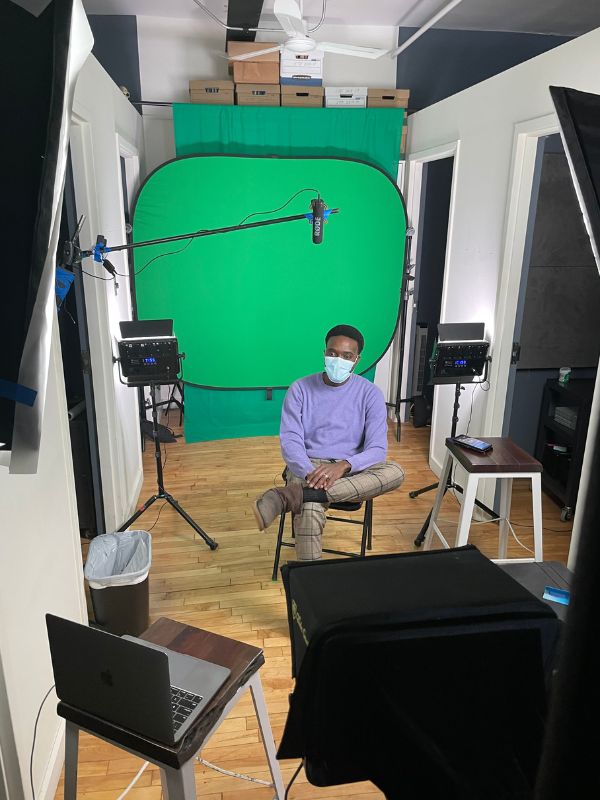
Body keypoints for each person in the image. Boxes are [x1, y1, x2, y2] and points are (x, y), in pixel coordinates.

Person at [252, 324, 405, 560]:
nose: (338, 360)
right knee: (310, 509)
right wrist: (310, 473)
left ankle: (292, 495)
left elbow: (377, 449)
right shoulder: (300, 389)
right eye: (332, 353)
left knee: (396, 472)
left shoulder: (370, 393)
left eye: (347, 356)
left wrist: (343, 465)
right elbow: (291, 442)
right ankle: (311, 584)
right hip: (308, 467)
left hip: (352, 469)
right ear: (324, 353)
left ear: (357, 360)